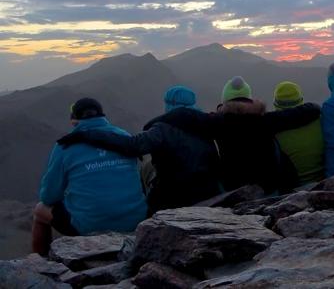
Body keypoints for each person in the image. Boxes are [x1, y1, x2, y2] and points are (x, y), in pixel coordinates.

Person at [59, 87, 223, 214]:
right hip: (210, 193)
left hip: (173, 199)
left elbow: (132, 146)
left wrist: (87, 134)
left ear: (169, 104)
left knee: (147, 169)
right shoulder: (209, 123)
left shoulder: (162, 130)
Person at [32, 98, 147, 255]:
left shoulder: (65, 146)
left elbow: (49, 196)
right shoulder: (124, 136)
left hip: (91, 225)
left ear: (74, 120)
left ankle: (40, 263)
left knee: (40, 210)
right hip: (136, 219)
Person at [272, 81, 325, 185]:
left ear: (275, 103)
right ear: (301, 101)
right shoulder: (321, 121)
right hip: (323, 182)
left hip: (289, 192)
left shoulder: (271, 132)